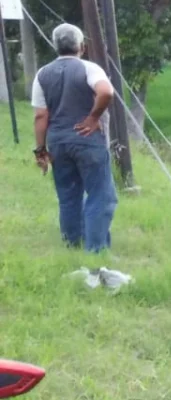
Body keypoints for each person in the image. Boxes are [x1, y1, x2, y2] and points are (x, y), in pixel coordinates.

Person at [31, 23, 117, 253]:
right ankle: (96, 251)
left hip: (58, 142)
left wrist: (41, 150)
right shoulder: (90, 68)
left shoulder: (42, 74)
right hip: (88, 140)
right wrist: (93, 118)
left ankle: (72, 245)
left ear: (55, 46)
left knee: (68, 196)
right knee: (100, 196)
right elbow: (106, 92)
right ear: (82, 47)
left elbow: (40, 116)